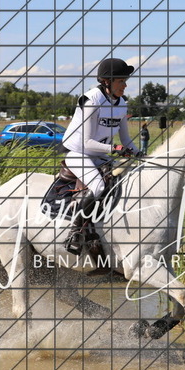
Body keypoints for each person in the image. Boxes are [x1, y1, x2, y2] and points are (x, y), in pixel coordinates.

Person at [62, 57, 138, 254]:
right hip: (79, 153)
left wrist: (140, 154)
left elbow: (126, 139)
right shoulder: (91, 100)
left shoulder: (122, 103)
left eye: (125, 81)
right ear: (106, 81)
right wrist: (115, 148)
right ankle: (75, 231)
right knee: (98, 186)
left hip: (100, 155)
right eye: (120, 81)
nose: (125, 85)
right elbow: (87, 142)